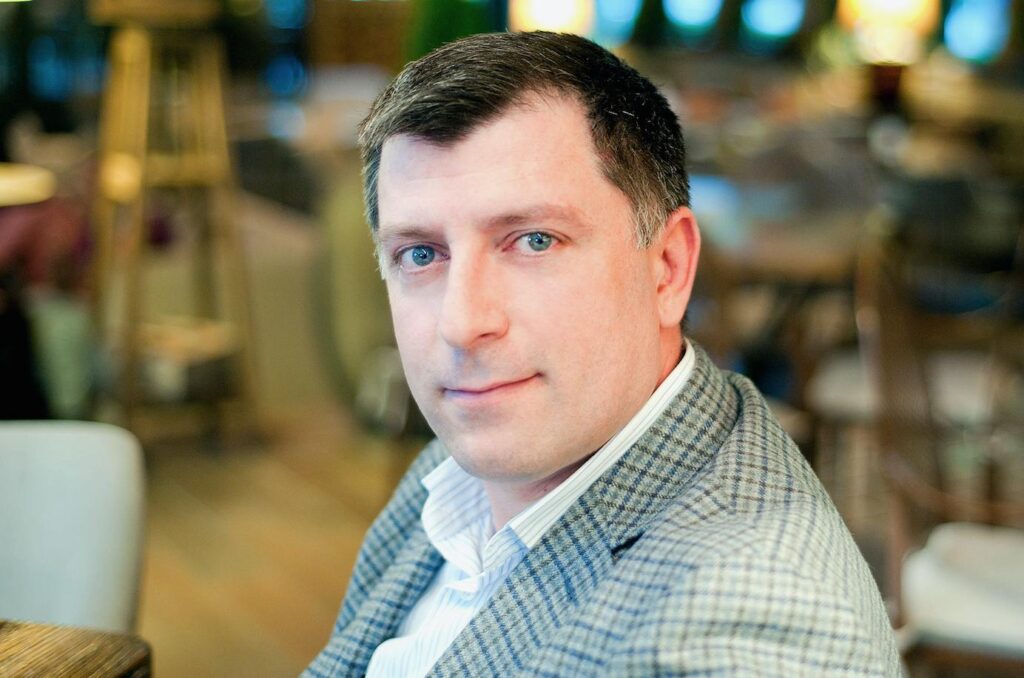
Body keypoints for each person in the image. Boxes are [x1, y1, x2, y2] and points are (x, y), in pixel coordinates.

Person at [306, 31, 899, 677]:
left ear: (668, 268)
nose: (461, 323)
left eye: (534, 241)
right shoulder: (455, 478)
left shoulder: (750, 629)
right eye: (420, 254)